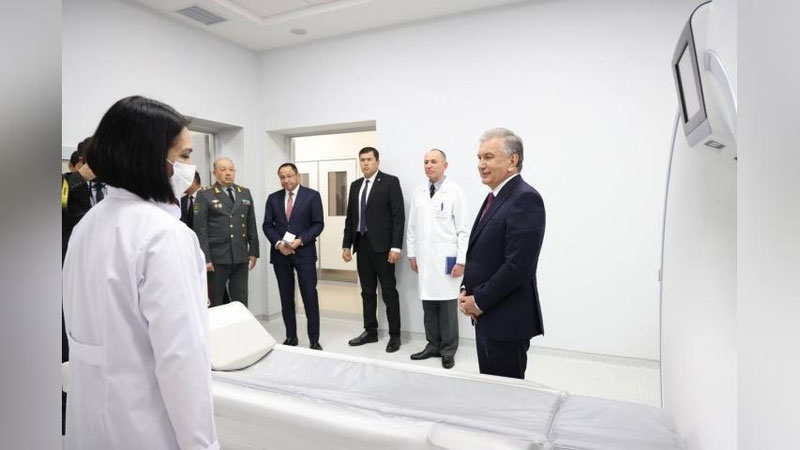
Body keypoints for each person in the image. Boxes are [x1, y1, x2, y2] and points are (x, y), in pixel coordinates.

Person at [62, 95, 218, 449]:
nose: (189, 167)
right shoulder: (165, 236)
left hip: (90, 422)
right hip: (145, 427)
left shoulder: (88, 224)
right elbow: (182, 361)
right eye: (184, 156)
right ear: (152, 158)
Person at [459, 128, 546, 380]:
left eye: (488, 157)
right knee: (490, 386)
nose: (480, 164)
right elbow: (481, 254)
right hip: (487, 316)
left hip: (507, 320)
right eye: (479, 158)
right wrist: (466, 289)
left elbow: (517, 266)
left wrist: (478, 301)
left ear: (512, 161)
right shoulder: (495, 197)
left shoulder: (525, 198)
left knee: (506, 393)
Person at [407, 149, 470, 369]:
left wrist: (461, 261)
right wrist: (412, 254)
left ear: (445, 165)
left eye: (434, 161)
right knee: (429, 304)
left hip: (448, 259)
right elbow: (412, 227)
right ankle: (433, 345)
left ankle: (448, 350)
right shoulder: (419, 192)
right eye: (425, 162)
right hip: (424, 259)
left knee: (447, 306)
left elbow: (463, 230)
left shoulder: (455, 192)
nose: (429, 165)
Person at [342, 147, 405, 352]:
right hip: (362, 245)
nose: (365, 163)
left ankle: (395, 335)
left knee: (388, 291)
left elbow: (398, 216)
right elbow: (351, 218)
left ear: (377, 161)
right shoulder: (355, 186)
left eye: (369, 159)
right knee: (367, 292)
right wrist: (346, 245)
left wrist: (396, 246)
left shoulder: (390, 182)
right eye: (362, 160)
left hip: (384, 248)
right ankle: (370, 331)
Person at [262, 163, 325, 350]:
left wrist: (301, 240)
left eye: (289, 176)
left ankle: (314, 339)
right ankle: (291, 336)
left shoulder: (312, 196)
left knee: (309, 296)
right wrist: (279, 244)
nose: (286, 180)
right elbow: (267, 225)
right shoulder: (273, 198)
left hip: (304, 253)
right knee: (286, 297)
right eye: (282, 177)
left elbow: (318, 224)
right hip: (281, 255)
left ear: (297, 175)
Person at [194, 157, 260, 307]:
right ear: (214, 173)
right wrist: (205, 258)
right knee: (216, 301)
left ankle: (241, 323)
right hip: (217, 258)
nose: (228, 173)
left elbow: (251, 224)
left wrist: (253, 252)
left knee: (241, 300)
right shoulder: (205, 194)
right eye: (223, 170)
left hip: (240, 255)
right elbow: (200, 230)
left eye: (231, 170)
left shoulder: (244, 193)